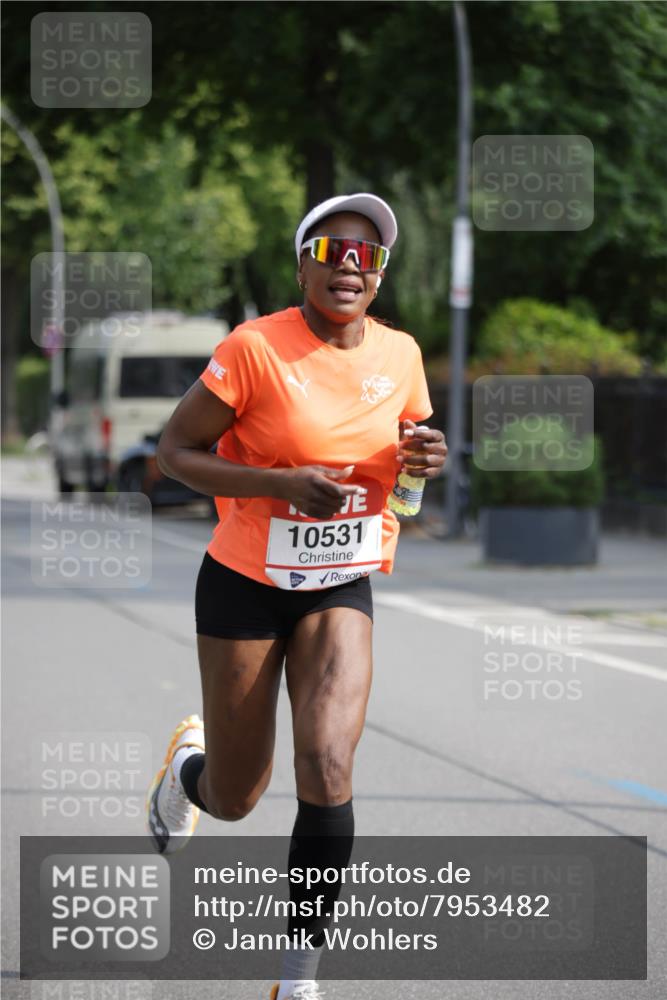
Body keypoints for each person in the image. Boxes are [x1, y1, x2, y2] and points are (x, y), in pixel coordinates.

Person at [146, 192, 447, 1000]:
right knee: (236, 797)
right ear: (302, 267)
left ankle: (297, 979)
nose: (350, 266)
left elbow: (406, 484)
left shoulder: (402, 355)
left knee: (328, 762)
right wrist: (278, 484)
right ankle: (187, 772)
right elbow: (175, 452)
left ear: (379, 275)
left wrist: (425, 463)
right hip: (244, 583)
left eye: (367, 255)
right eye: (331, 251)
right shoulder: (253, 348)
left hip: (339, 583)